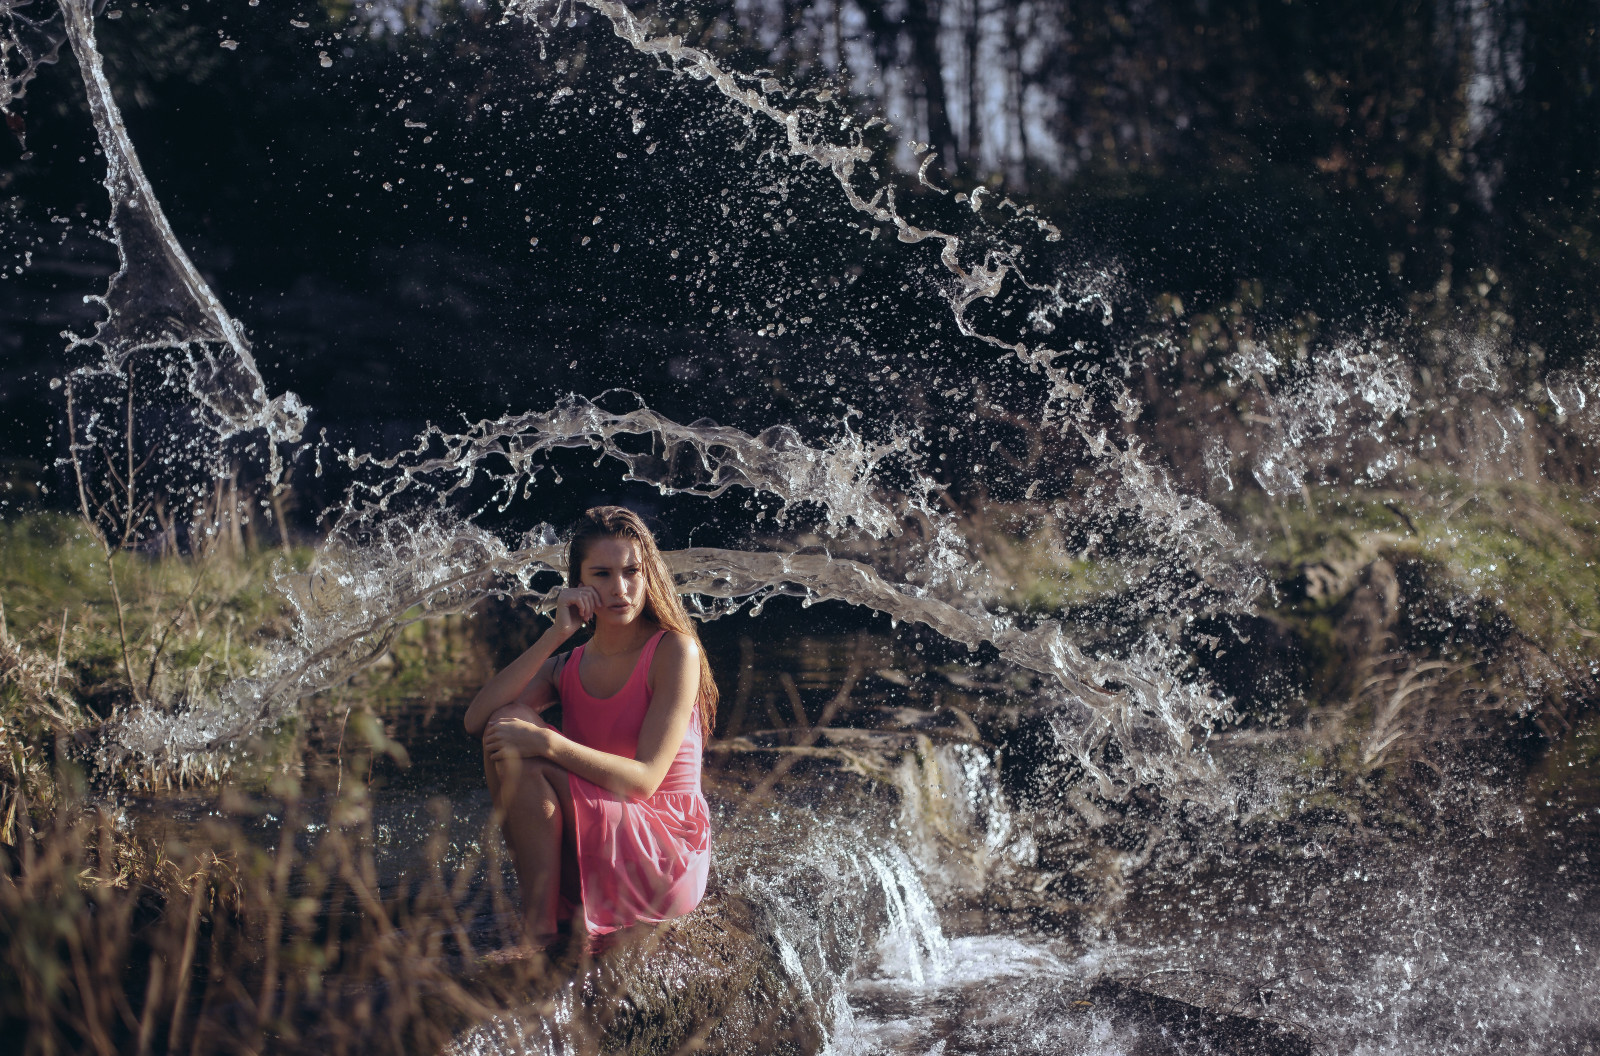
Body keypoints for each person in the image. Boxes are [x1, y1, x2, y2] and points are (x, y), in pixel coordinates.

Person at [463, 506, 717, 948]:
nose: (620, 589)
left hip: (664, 849)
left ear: (649, 575)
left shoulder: (675, 652)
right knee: (505, 724)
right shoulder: (569, 664)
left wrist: (546, 741)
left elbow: (644, 781)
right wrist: (556, 635)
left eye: (632, 571)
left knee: (529, 753)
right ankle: (545, 921)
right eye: (601, 574)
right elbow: (477, 720)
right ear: (578, 585)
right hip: (604, 831)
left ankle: (539, 933)